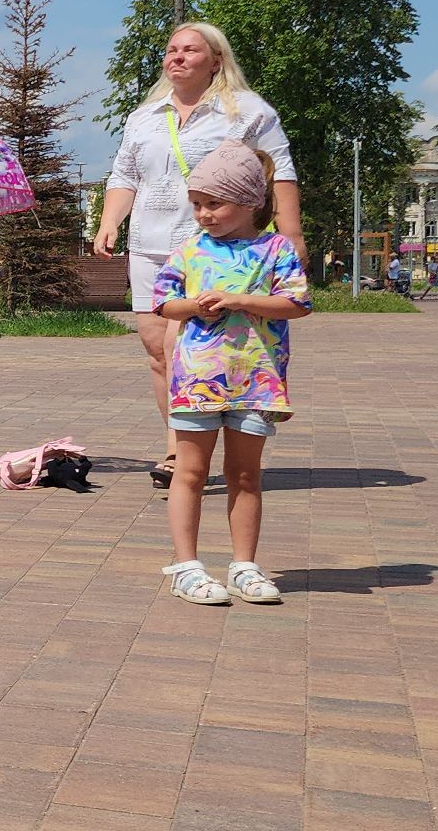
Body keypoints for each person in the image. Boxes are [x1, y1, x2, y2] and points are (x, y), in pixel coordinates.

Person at [93, 22, 302, 488]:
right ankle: (183, 445)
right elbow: (124, 175)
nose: (178, 57)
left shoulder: (247, 111)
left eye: (190, 50)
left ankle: (183, 457)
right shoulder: (145, 116)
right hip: (149, 243)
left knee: (179, 344)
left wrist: (291, 234)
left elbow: (281, 171)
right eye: (172, 49)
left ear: (216, 61)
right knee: (156, 350)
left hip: (209, 248)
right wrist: (109, 222)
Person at [151, 141, 310, 606]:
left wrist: (240, 300)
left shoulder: (275, 248)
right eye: (196, 203)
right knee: (190, 472)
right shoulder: (190, 250)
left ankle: (244, 565)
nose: (203, 214)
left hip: (255, 381)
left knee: (244, 475)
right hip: (197, 381)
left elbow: (297, 303)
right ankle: (186, 566)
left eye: (213, 204)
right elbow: (163, 301)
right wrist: (192, 306)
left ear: (249, 202)